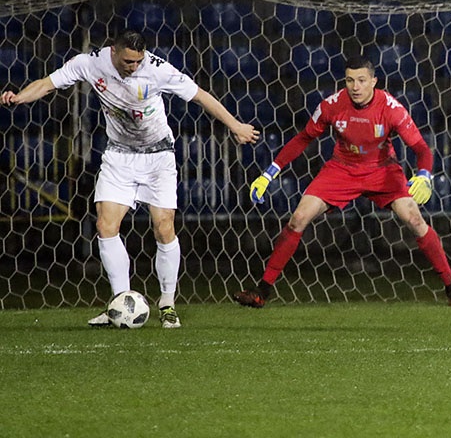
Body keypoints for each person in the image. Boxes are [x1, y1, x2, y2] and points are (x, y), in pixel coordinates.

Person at [0, 30, 260, 328]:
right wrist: (19, 98)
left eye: (138, 61)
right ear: (114, 51)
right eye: (128, 61)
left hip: (158, 157)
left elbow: (200, 96)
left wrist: (236, 125)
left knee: (163, 227)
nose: (133, 66)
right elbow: (48, 83)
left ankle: (167, 303)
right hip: (118, 156)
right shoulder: (91, 63)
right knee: (105, 225)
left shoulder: (158, 69)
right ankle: (121, 302)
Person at [233, 54, 451, 308]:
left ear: (374, 81)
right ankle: (261, 292)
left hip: (382, 170)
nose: (355, 87)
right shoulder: (332, 105)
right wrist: (270, 172)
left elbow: (421, 148)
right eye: (350, 80)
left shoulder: (391, 108)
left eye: (362, 80)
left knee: (414, 219)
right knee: (298, 218)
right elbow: (303, 138)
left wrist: (424, 174)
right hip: (342, 169)